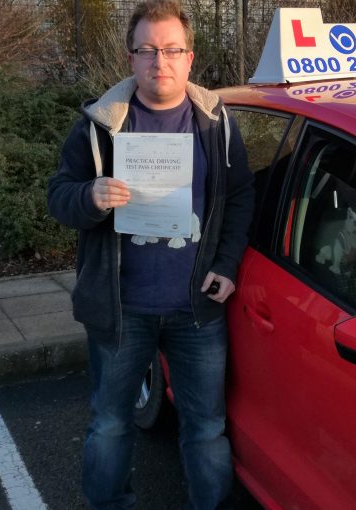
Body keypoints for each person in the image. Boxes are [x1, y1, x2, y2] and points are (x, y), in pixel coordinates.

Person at [46, 0, 254, 507]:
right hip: (122, 309)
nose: (160, 61)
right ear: (131, 59)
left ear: (189, 57)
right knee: (111, 425)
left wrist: (226, 267)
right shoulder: (100, 124)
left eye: (171, 49)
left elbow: (241, 196)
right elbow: (58, 195)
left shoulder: (215, 122)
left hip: (196, 310)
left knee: (205, 428)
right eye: (147, 50)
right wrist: (90, 197)